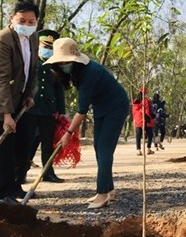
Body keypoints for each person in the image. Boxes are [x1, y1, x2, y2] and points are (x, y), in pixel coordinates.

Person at [44, 37, 129, 209]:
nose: (63, 65)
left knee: (105, 149)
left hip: (116, 107)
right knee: (99, 147)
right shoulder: (76, 73)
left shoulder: (90, 73)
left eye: (67, 61)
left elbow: (82, 110)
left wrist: (68, 134)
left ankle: (103, 193)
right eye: (61, 62)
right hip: (101, 108)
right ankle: (109, 188)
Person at [0, 0, 39, 205]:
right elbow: (0, 78)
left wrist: (29, 94)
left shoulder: (33, 38)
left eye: (31, 21)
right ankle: (3, 194)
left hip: (19, 98)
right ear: (12, 18)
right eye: (22, 20)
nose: (27, 25)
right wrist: (6, 114)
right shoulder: (2, 39)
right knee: (5, 147)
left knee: (23, 144)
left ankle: (14, 185)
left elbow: (32, 70)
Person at [21, 29, 66, 184]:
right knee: (28, 142)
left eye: (50, 47)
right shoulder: (31, 60)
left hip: (49, 111)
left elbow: (59, 90)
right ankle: (21, 172)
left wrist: (61, 111)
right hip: (30, 109)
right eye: (45, 46)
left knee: (48, 144)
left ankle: (48, 172)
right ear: (38, 44)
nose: (47, 49)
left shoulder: (56, 65)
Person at [132, 88, 155, 156]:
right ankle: (148, 149)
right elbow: (148, 111)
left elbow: (133, 112)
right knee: (150, 135)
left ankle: (138, 150)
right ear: (144, 94)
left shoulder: (135, 102)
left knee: (138, 136)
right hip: (145, 120)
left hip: (138, 120)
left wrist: (135, 119)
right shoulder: (146, 101)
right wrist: (153, 117)